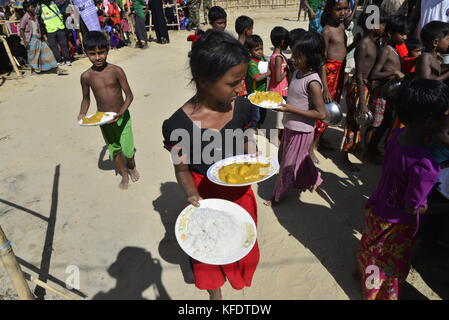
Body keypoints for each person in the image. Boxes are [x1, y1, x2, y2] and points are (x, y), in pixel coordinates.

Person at [162, 30, 259, 300]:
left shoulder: (240, 107)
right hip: (206, 198)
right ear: (204, 81)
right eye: (233, 83)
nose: (241, 89)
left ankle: (235, 275)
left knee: (238, 244)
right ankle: (215, 295)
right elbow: (181, 168)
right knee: (209, 251)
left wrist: (251, 154)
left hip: (240, 195)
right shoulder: (177, 126)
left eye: (242, 81)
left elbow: (245, 134)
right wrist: (192, 194)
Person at [357, 78, 449, 300]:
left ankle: (365, 280)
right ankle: (377, 294)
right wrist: (443, 208)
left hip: (377, 207)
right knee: (390, 266)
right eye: (445, 116)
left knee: (372, 251)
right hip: (397, 226)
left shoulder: (397, 136)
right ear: (429, 121)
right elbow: (412, 207)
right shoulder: (425, 165)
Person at [264, 32, 326, 207]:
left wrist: (291, 109)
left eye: (298, 56)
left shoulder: (313, 82)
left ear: (312, 58)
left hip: (302, 131)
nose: (293, 59)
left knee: (287, 165)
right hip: (290, 126)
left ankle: (278, 196)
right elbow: (294, 97)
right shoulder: (297, 72)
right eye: (293, 55)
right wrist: (282, 104)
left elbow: (321, 114)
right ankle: (315, 178)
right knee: (290, 157)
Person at [78, 31, 139, 190]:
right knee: (115, 150)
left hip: (122, 117)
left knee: (128, 149)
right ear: (86, 54)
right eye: (92, 54)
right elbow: (86, 98)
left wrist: (121, 113)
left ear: (107, 50)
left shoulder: (116, 71)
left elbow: (129, 96)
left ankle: (131, 164)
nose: (97, 57)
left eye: (101, 52)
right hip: (103, 120)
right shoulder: (86, 77)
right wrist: (82, 114)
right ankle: (124, 174)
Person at [340, 9, 386, 171]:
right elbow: (359, 75)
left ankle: (353, 147)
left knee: (358, 122)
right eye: (381, 23)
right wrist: (363, 102)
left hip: (365, 87)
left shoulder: (375, 43)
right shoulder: (365, 45)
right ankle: (344, 155)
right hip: (358, 87)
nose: (383, 26)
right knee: (353, 121)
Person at [312, 0, 357, 164]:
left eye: (346, 8)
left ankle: (320, 140)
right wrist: (324, 88)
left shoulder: (342, 28)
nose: (343, 12)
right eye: (339, 9)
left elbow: (342, 50)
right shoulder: (327, 31)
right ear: (330, 9)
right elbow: (321, 60)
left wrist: (354, 45)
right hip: (329, 74)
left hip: (339, 71)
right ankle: (312, 146)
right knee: (324, 108)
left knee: (333, 107)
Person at [366, 15, 408, 163]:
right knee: (376, 124)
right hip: (381, 94)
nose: (405, 36)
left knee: (385, 122)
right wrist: (394, 72)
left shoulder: (395, 50)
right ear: (391, 33)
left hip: (389, 94)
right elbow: (374, 74)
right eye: (402, 33)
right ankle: (368, 151)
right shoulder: (387, 51)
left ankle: (373, 148)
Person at [19, 0, 61, 74]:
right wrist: (25, 41)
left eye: (34, 6)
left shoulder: (35, 15)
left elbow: (38, 27)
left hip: (38, 38)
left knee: (47, 52)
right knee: (33, 56)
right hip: (31, 39)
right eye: (32, 7)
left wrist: (42, 36)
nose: (34, 8)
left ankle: (55, 68)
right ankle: (33, 70)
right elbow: (21, 29)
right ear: (27, 8)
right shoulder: (25, 17)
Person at [268, 26, 290, 143]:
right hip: (279, 90)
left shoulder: (274, 56)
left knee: (280, 116)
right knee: (279, 118)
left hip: (277, 90)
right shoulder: (278, 58)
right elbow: (277, 78)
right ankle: (275, 139)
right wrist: (287, 71)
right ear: (282, 42)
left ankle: (277, 137)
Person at [245, 35, 271, 128]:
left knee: (262, 114)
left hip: (262, 93)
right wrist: (269, 73)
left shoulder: (261, 59)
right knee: (255, 116)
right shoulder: (251, 63)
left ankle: (258, 130)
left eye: (261, 48)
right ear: (249, 51)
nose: (260, 51)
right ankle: (251, 132)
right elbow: (257, 78)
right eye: (257, 49)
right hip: (254, 95)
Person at [40, 0, 71, 65]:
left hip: (59, 27)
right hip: (50, 29)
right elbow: (41, 22)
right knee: (53, 46)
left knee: (64, 44)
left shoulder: (54, 4)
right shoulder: (40, 8)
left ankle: (67, 59)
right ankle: (59, 60)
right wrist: (44, 33)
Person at [235, 15, 254, 97]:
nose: (252, 32)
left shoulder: (234, 45)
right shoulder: (243, 49)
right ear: (247, 31)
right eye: (251, 29)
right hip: (242, 84)